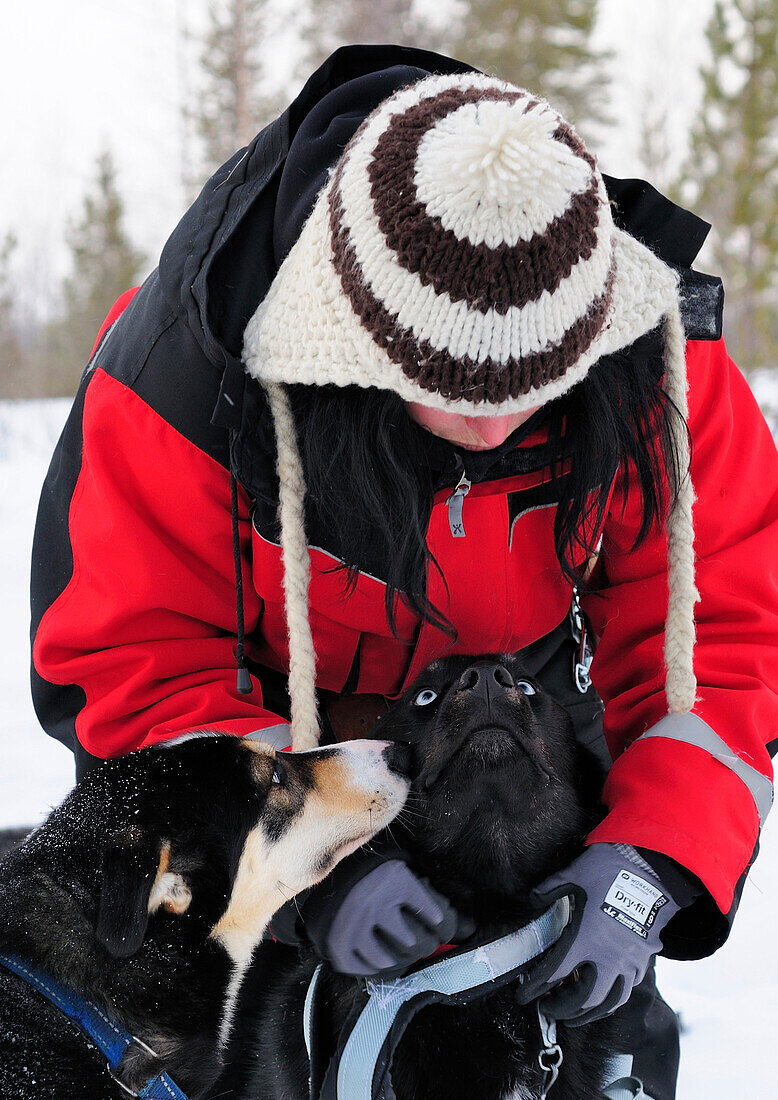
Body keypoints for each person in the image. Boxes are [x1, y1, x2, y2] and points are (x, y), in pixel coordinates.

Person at [30, 45, 778, 1100]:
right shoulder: (185, 381)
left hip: (518, 725)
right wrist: (304, 855)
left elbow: (721, 639)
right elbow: (136, 665)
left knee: (602, 1026)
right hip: (273, 738)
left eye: (536, 381)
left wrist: (653, 858)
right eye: (450, 386)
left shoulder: (656, 354)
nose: (491, 423)